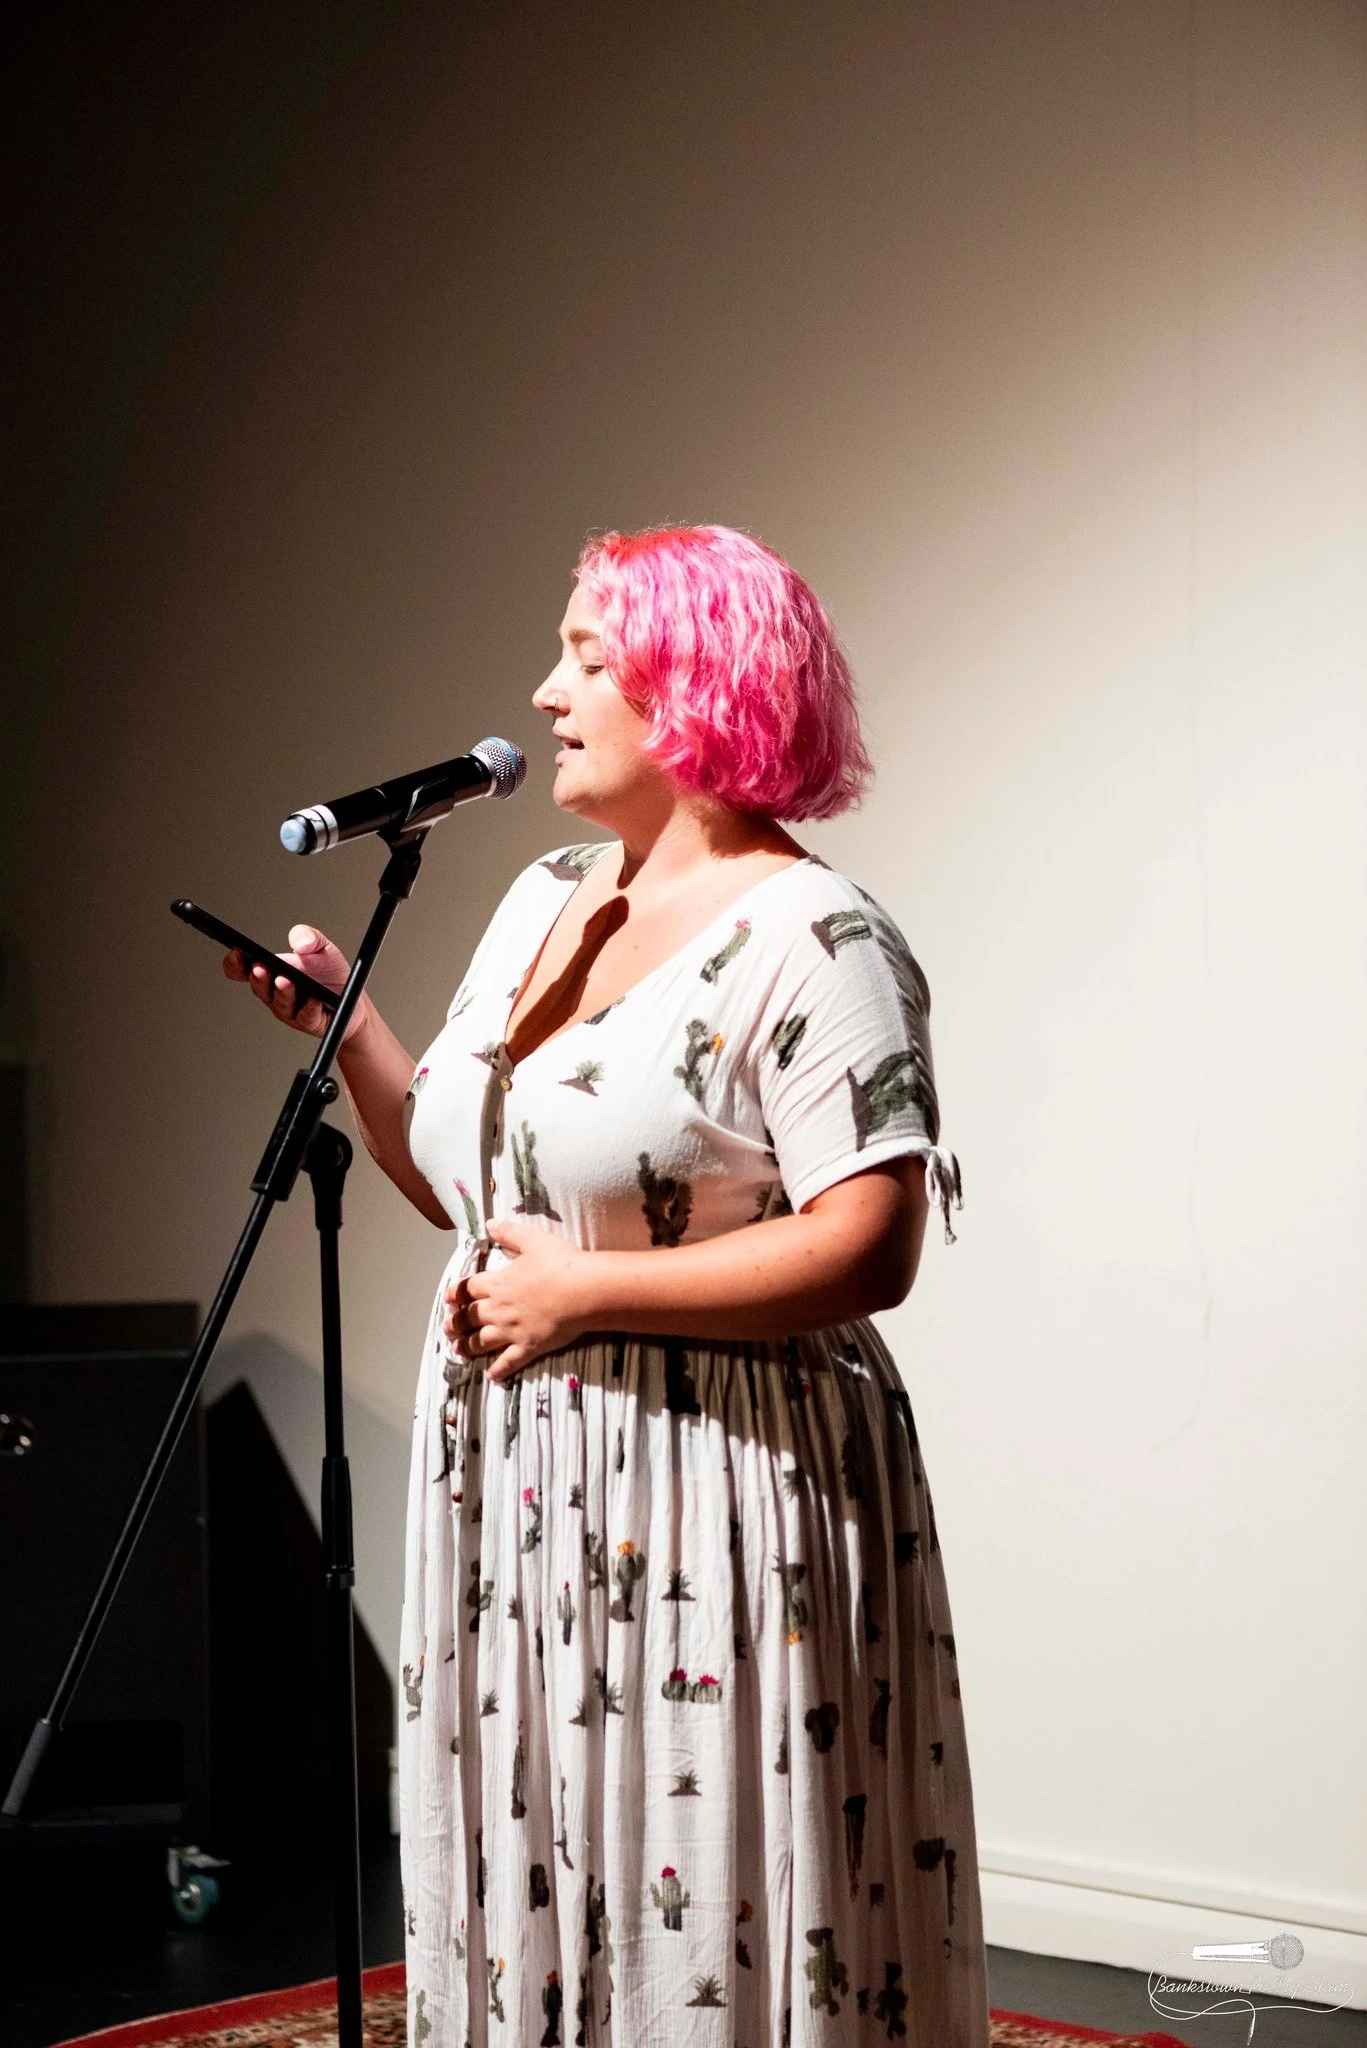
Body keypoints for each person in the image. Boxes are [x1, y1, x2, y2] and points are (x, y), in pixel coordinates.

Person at [226, 524, 987, 2048]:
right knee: (543, 1863)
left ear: (697, 687)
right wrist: (360, 1036)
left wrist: (587, 1299)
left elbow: (870, 1243)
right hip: (520, 1483)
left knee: (701, 1893)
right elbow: (477, 1184)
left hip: (716, 1487)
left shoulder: (818, 937)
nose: (545, 689)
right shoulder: (542, 897)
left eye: (586, 656)